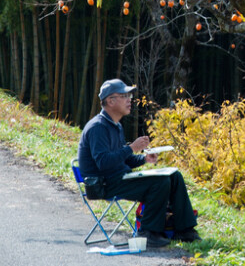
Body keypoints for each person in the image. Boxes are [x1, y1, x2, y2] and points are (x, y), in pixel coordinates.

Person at [78, 79, 200, 248]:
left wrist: (143, 159)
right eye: (124, 96)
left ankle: (185, 229)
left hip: (118, 178)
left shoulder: (115, 125)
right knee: (160, 182)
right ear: (110, 101)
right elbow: (104, 163)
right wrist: (132, 148)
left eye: (129, 95)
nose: (130, 99)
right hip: (104, 184)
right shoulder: (98, 127)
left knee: (174, 176)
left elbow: (123, 159)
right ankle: (148, 233)